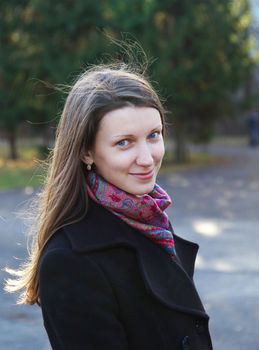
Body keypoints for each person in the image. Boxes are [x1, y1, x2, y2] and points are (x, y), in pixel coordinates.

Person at [5, 63, 213, 350]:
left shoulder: (149, 218)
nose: (147, 158)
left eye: (153, 135)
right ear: (86, 151)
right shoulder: (70, 261)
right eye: (124, 142)